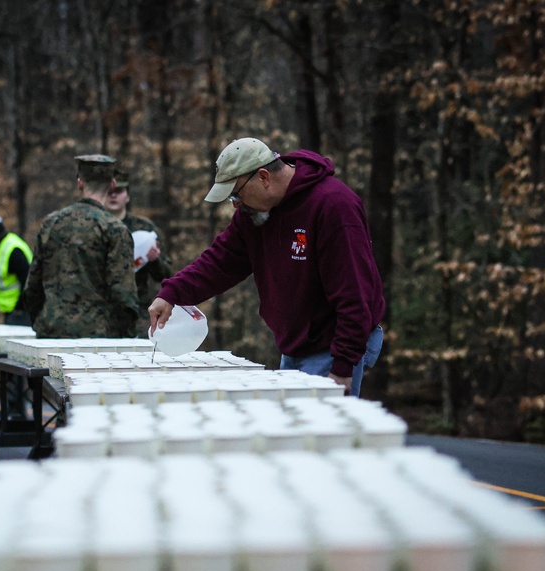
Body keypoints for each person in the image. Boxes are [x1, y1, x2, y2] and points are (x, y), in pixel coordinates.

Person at [148, 138, 385, 396]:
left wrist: (342, 367)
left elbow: (354, 293)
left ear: (263, 177)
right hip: (293, 346)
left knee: (317, 432)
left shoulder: (334, 206)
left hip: (332, 346)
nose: (236, 205)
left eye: (236, 195)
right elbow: (220, 261)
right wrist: (171, 293)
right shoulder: (254, 214)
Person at [22, 154, 140, 338]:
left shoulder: (52, 223)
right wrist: (125, 334)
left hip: (51, 331)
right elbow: (123, 294)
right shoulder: (114, 229)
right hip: (98, 338)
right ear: (112, 185)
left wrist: (42, 321)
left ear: (80, 183)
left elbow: (33, 285)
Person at [106, 169, 173, 335]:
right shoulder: (94, 226)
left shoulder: (145, 228)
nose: (113, 196)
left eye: (119, 191)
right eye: (109, 192)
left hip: (136, 310)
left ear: (127, 196)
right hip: (102, 310)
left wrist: (154, 260)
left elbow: (166, 275)